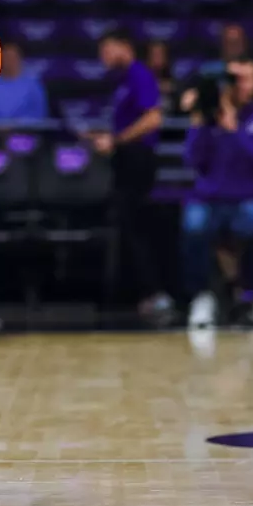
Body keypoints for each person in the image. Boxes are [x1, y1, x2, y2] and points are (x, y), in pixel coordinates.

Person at [179, 61, 253, 329]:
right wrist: (200, 124)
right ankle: (202, 298)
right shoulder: (207, 118)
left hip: (248, 198)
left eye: (244, 79)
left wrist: (235, 130)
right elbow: (193, 160)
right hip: (209, 199)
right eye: (232, 79)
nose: (237, 85)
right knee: (193, 227)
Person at [89, 31, 169, 322]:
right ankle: (139, 294)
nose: (103, 58)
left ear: (125, 46)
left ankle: (154, 294)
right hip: (124, 158)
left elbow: (153, 118)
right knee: (126, 227)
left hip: (139, 160)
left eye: (107, 49)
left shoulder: (140, 74)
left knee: (136, 227)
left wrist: (117, 140)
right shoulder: (121, 80)